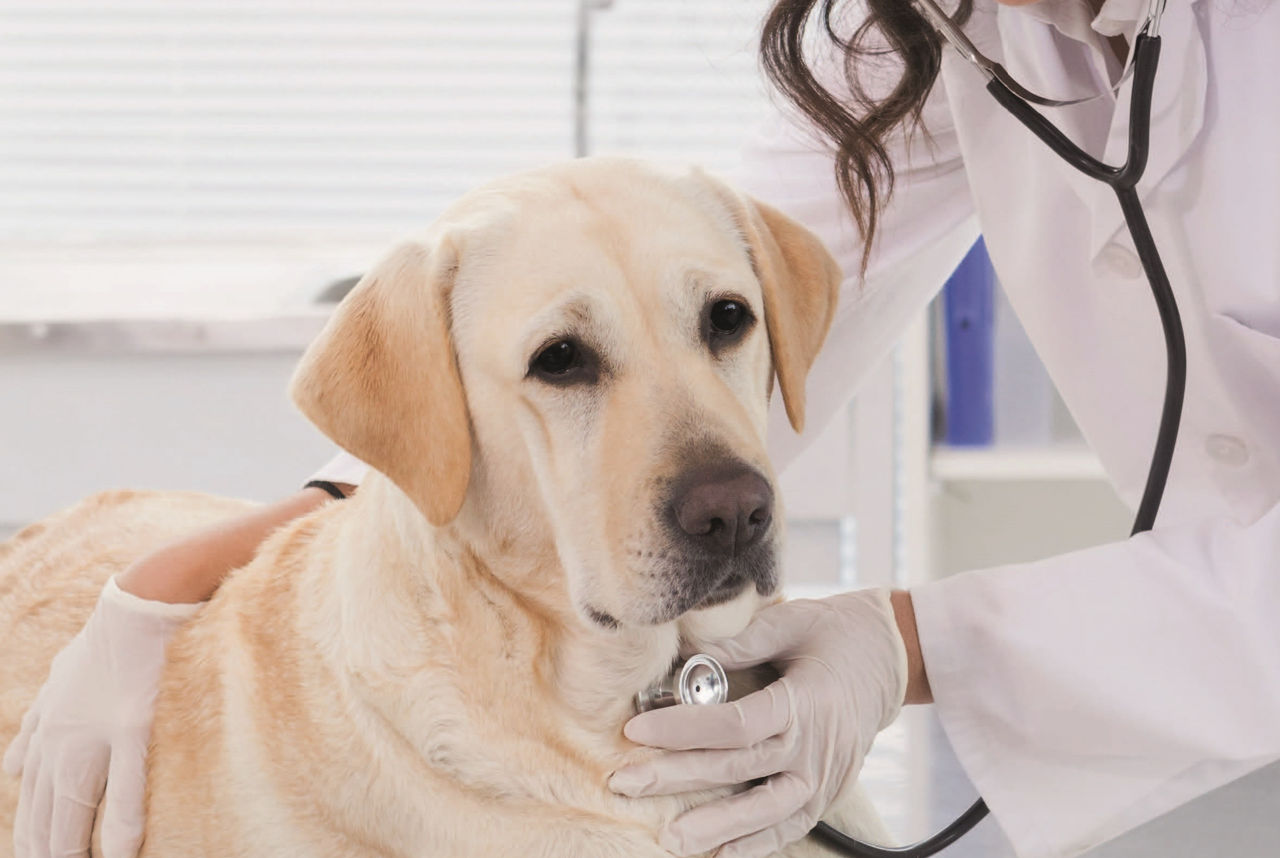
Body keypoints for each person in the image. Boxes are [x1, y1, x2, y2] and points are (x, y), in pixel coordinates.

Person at [6, 0, 1280, 857]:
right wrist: (176, 575)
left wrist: (902, 639)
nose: (724, 492)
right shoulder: (939, 25)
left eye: (726, 323)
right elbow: (791, 225)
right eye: (564, 361)